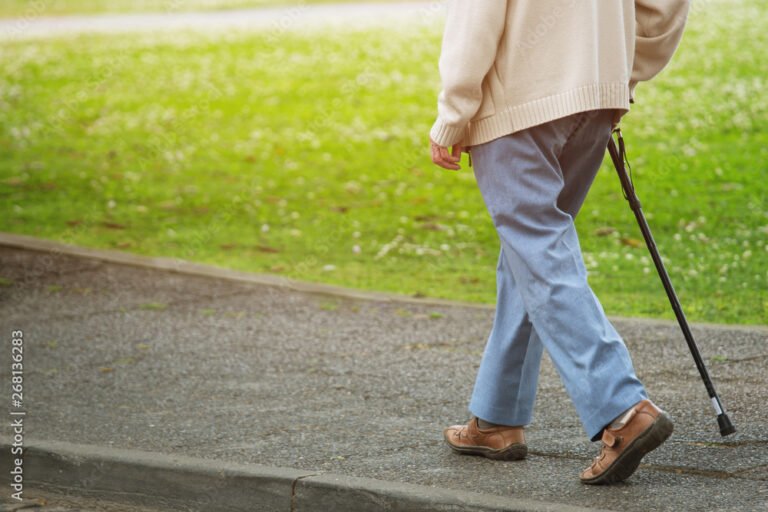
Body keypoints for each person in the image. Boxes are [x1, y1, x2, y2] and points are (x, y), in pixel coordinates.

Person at [429, 0, 690, 485]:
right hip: (595, 99)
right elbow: (664, 6)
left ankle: (623, 409)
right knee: (529, 256)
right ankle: (496, 419)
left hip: (518, 104)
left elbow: (476, 16)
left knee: (539, 253)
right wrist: (613, 71)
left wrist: (453, 114)